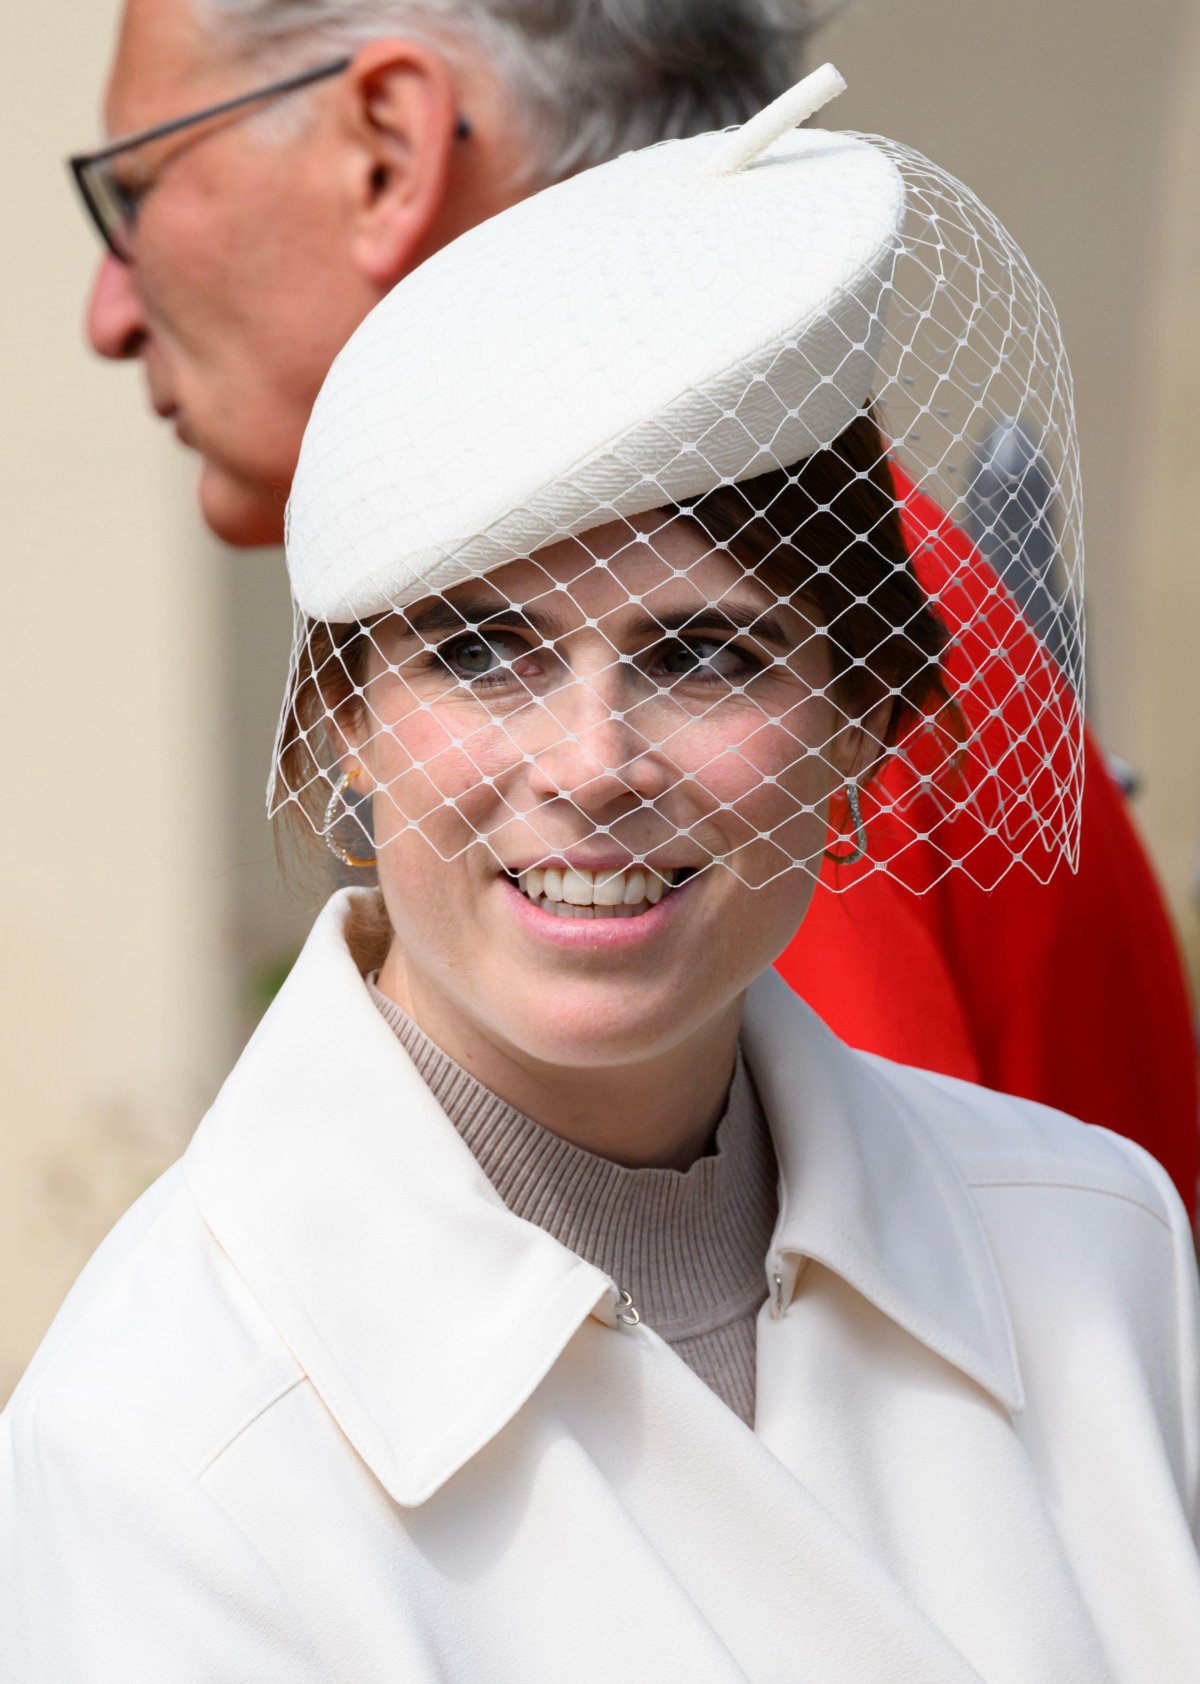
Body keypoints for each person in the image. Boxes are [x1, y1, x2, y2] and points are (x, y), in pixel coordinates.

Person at [11, 71, 1198, 1679]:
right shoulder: (162, 1445)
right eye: (483, 651)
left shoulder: (1101, 1251)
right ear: (345, 723)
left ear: (863, 728)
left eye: (706, 654)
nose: (591, 761)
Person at [72, 0, 1198, 1211]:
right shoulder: (805, 572)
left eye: (134, 193)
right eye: (481, 650)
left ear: (386, 151)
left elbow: (822, 1333)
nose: (106, 315)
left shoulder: (767, 683)